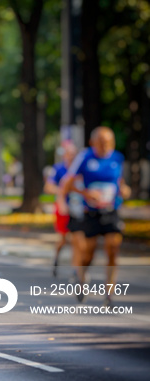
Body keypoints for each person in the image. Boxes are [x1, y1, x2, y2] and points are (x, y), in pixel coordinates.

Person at [60, 126, 130, 306]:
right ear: (93, 142)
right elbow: (67, 183)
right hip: (90, 213)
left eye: (108, 142)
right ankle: (81, 276)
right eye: (101, 142)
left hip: (111, 211)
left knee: (113, 248)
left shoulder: (117, 158)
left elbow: (120, 183)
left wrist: (124, 190)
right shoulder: (84, 157)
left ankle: (109, 294)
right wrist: (85, 193)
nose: (105, 145)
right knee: (88, 254)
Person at [45, 141, 81, 277]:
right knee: (64, 238)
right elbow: (48, 187)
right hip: (63, 207)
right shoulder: (58, 169)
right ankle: (57, 257)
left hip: (78, 207)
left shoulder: (79, 169)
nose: (71, 156)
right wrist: (62, 190)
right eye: (68, 154)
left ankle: (76, 270)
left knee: (77, 238)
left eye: (73, 154)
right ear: (64, 155)